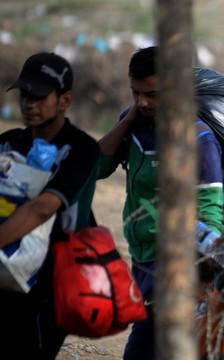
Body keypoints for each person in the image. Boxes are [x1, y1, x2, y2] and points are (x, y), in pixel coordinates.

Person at [97, 46, 224, 359]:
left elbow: (210, 210)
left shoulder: (198, 139)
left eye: (152, 94)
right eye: (135, 93)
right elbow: (96, 168)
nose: (143, 102)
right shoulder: (134, 126)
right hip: (141, 259)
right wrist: (127, 122)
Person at [0, 52, 100, 359]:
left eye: (40, 96)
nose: (30, 103)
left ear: (65, 99)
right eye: (25, 94)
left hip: (51, 287)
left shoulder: (81, 148)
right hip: (5, 274)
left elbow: (43, 208)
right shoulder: (8, 142)